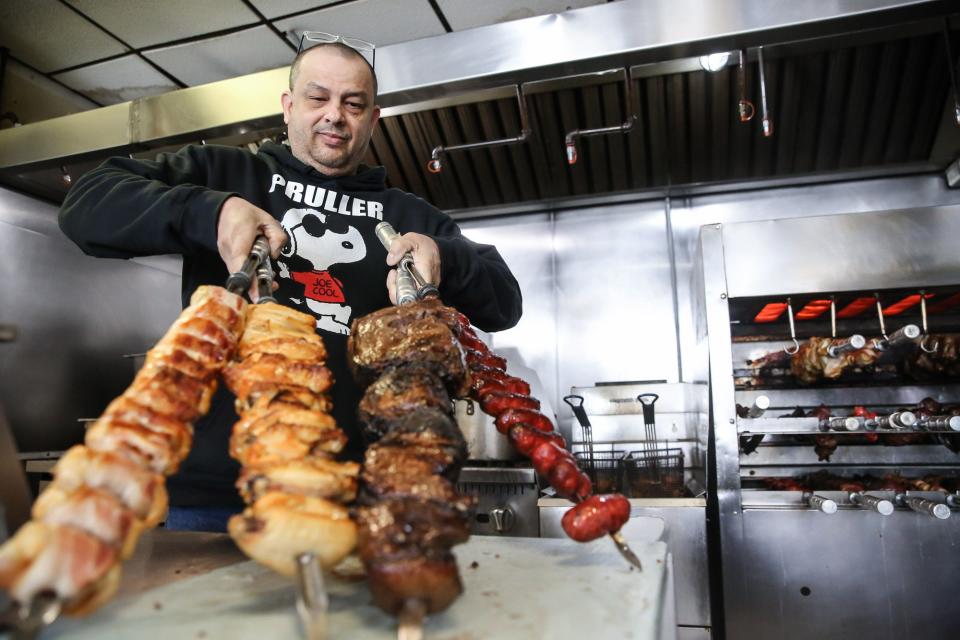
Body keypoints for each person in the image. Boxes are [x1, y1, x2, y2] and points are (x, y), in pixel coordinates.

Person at [58, 41, 523, 532]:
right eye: (317, 98)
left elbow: (505, 303)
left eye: (353, 103)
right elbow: (88, 204)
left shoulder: (409, 215)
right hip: (215, 496)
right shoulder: (226, 173)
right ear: (289, 106)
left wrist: (445, 257)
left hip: (352, 494)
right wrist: (209, 212)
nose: (334, 116)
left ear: (373, 118)